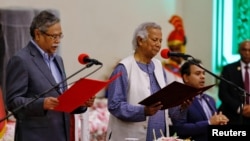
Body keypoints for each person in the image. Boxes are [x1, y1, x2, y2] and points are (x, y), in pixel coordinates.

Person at [5, 10, 94, 141]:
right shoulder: (21, 60)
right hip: (36, 137)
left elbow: (61, 100)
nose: (58, 41)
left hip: (61, 134)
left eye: (60, 36)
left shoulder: (58, 60)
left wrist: (80, 103)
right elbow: (13, 103)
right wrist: (42, 104)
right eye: (53, 36)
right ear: (38, 34)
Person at [105, 22, 189, 141]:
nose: (159, 45)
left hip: (160, 136)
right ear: (140, 40)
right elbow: (115, 105)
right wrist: (143, 111)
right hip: (130, 136)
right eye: (155, 40)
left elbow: (165, 105)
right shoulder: (124, 68)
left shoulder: (159, 66)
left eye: (160, 41)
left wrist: (181, 107)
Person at [170, 59, 229, 141]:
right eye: (198, 73)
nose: (203, 76)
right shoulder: (179, 99)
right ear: (186, 77)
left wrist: (220, 121)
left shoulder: (210, 100)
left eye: (204, 73)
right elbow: (180, 128)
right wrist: (209, 123)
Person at [218, 40, 250, 125]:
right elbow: (223, 93)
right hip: (234, 116)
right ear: (239, 51)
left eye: (249, 50)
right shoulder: (228, 69)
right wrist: (240, 108)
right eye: (244, 49)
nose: (247, 53)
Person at [162, 15, 186, 81]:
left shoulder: (185, 68)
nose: (175, 52)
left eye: (178, 49)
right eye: (172, 49)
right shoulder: (164, 69)